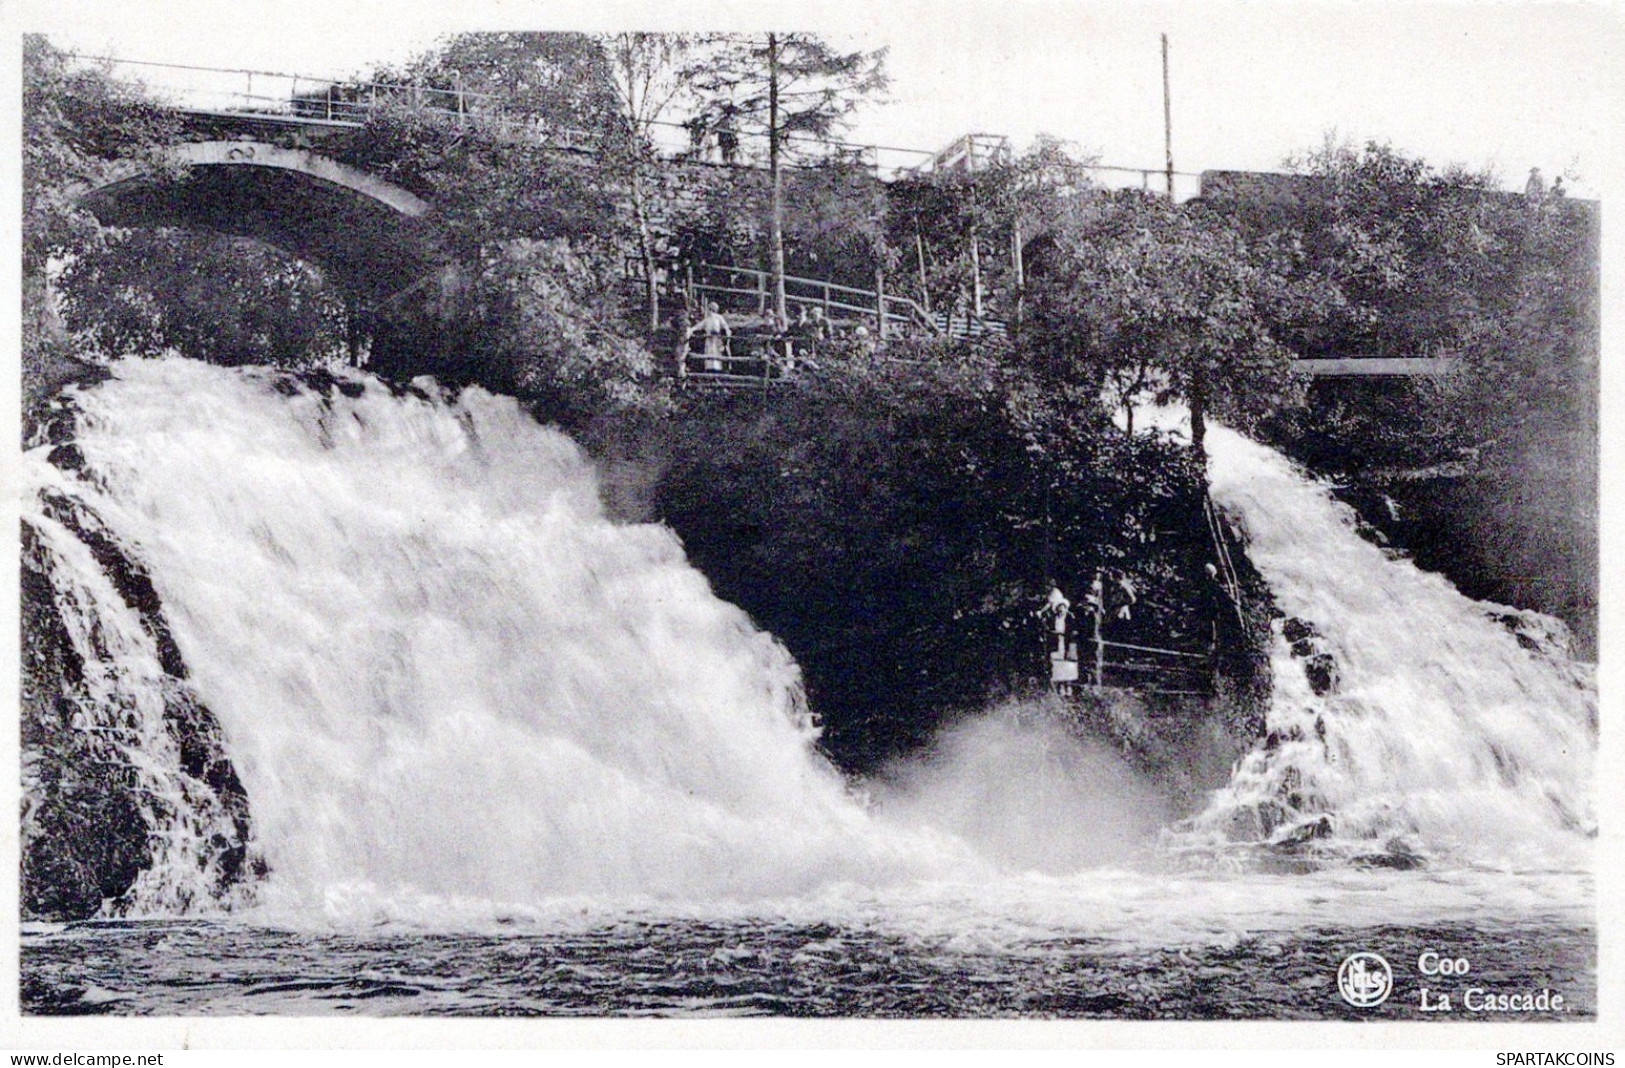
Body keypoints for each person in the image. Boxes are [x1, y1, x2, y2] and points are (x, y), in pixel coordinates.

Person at [686, 301, 731, 372]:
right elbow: (699, 326)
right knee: (709, 354)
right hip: (709, 339)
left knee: (716, 355)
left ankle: (716, 372)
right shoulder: (707, 319)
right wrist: (691, 330)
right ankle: (709, 371)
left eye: (711, 310)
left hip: (716, 339)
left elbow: (725, 326)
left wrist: (727, 335)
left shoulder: (719, 318)